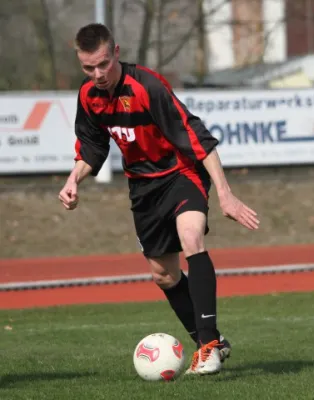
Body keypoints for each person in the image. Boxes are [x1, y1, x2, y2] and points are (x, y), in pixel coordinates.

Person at [58, 23, 260, 375]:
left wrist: (226, 195)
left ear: (116, 52)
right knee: (163, 275)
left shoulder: (147, 86)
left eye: (103, 63)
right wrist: (74, 179)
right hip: (143, 188)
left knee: (191, 236)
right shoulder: (89, 96)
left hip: (181, 174)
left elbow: (198, 138)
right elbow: (92, 147)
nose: (98, 74)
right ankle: (211, 340)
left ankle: (208, 346)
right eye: (89, 68)